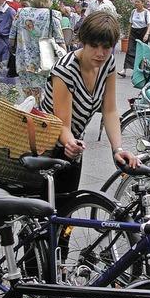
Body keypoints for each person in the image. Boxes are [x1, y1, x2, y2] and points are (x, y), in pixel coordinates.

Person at [40, 11, 140, 193]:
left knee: (67, 207)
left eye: (106, 47)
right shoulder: (66, 70)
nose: (100, 53)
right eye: (94, 46)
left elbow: (109, 110)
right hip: (46, 145)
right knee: (49, 210)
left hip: (73, 143)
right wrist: (70, 142)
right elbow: (61, 124)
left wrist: (117, 149)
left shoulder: (107, 63)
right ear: (83, 42)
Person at [9, 0, 66, 103]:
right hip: (45, 61)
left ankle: (30, 116)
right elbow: (60, 41)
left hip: (23, 61)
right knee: (43, 95)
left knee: (28, 96)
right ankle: (40, 118)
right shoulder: (52, 15)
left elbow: (11, 38)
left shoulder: (21, 13)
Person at [117, 0, 150, 78]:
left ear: (142, 3)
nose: (136, 3)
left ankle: (139, 70)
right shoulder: (133, 11)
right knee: (129, 50)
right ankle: (124, 70)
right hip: (134, 32)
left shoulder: (146, 12)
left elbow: (149, 25)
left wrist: (147, 34)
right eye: (135, 1)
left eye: (138, 2)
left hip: (143, 32)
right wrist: (129, 35)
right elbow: (130, 23)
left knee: (141, 53)